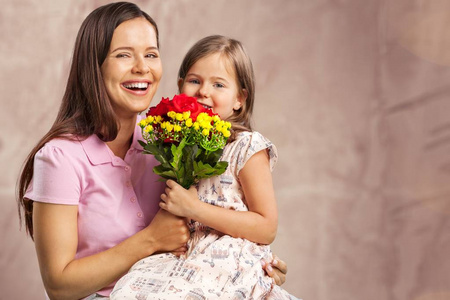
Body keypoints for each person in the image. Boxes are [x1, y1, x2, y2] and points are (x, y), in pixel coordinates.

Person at [16, 3, 287, 299]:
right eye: (123, 55)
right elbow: (58, 286)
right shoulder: (59, 158)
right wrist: (151, 240)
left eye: (151, 54)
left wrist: (250, 266)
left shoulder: (173, 138)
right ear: (94, 66)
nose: (142, 68)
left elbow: (219, 218)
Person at [111, 35, 298, 299]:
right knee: (128, 289)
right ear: (180, 86)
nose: (203, 92)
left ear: (240, 99)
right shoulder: (178, 143)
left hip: (227, 259)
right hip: (183, 255)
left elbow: (267, 227)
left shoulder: (247, 146)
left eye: (218, 84)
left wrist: (194, 209)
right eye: (194, 81)